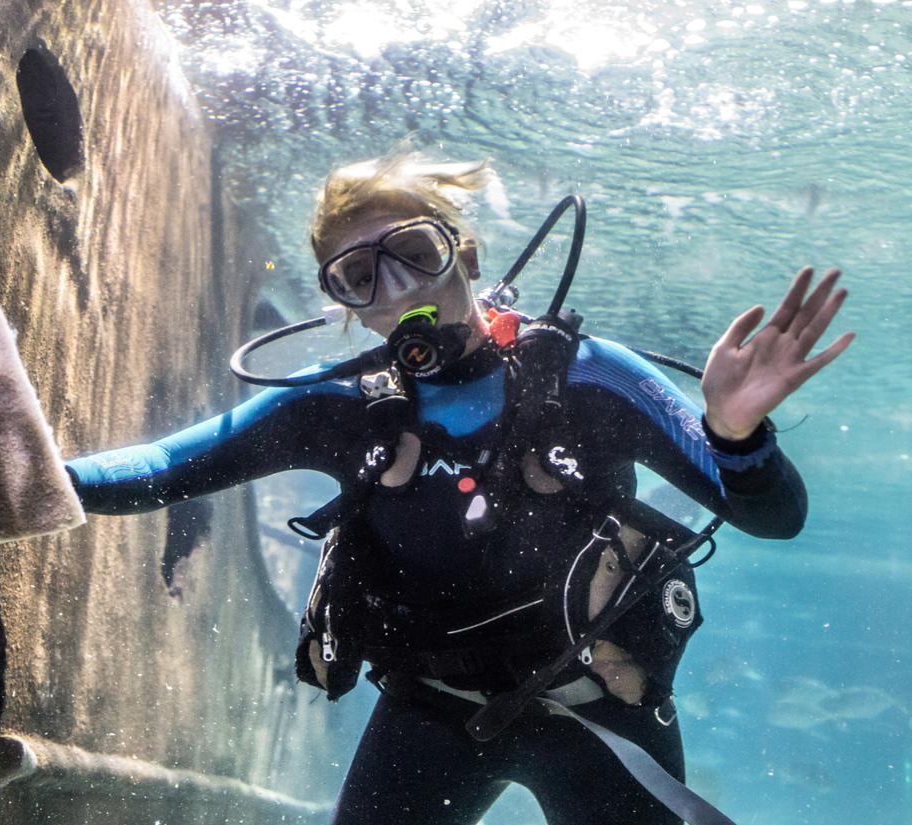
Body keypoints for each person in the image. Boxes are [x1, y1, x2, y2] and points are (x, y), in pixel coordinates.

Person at [65, 152, 854, 825]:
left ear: (466, 257)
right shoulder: (338, 407)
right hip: (431, 711)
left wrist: (736, 432)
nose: (397, 285)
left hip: (599, 708)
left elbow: (774, 518)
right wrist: (35, 479)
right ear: (345, 305)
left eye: (414, 250)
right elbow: (166, 468)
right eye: (359, 274)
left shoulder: (584, 378)